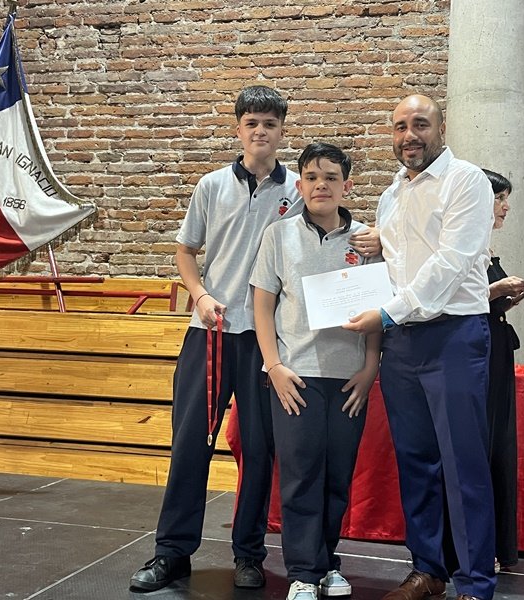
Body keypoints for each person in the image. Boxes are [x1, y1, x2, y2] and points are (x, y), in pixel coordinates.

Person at [129, 85, 304, 593]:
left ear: (281, 131)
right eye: (252, 123)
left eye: (270, 124)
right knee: (190, 445)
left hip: (266, 341)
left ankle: (249, 554)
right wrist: (200, 295)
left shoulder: (297, 191)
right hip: (209, 333)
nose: (260, 132)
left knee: (258, 450)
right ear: (238, 129)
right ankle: (171, 553)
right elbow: (185, 252)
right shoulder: (211, 186)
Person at [344, 94, 497, 600]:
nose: (409, 135)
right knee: (415, 461)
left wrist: (387, 312)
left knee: (463, 463)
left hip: (453, 336)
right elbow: (398, 263)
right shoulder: (391, 195)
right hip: (402, 343)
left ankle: (475, 583)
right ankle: (427, 570)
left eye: (420, 124)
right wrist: (377, 245)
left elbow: (450, 263)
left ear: (440, 127)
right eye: (400, 126)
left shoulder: (466, 181)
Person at [251, 142, 382, 600]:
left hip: (349, 379)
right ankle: (303, 573)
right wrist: (274, 366)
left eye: (330, 177)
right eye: (311, 177)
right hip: (297, 376)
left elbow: (378, 309)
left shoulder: (368, 240)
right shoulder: (278, 235)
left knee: (337, 476)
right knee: (301, 476)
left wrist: (370, 368)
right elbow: (262, 306)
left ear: (347, 185)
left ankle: (328, 565)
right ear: (300, 184)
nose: (320, 185)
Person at [482, 168, 524, 572]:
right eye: (499, 198)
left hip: (497, 350)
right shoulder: (463, 248)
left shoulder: (487, 248)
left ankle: (498, 543)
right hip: (476, 353)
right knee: (482, 444)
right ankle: (481, 546)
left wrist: (512, 296)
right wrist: (498, 290)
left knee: (499, 443)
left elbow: (488, 303)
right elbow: (449, 299)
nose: (506, 206)